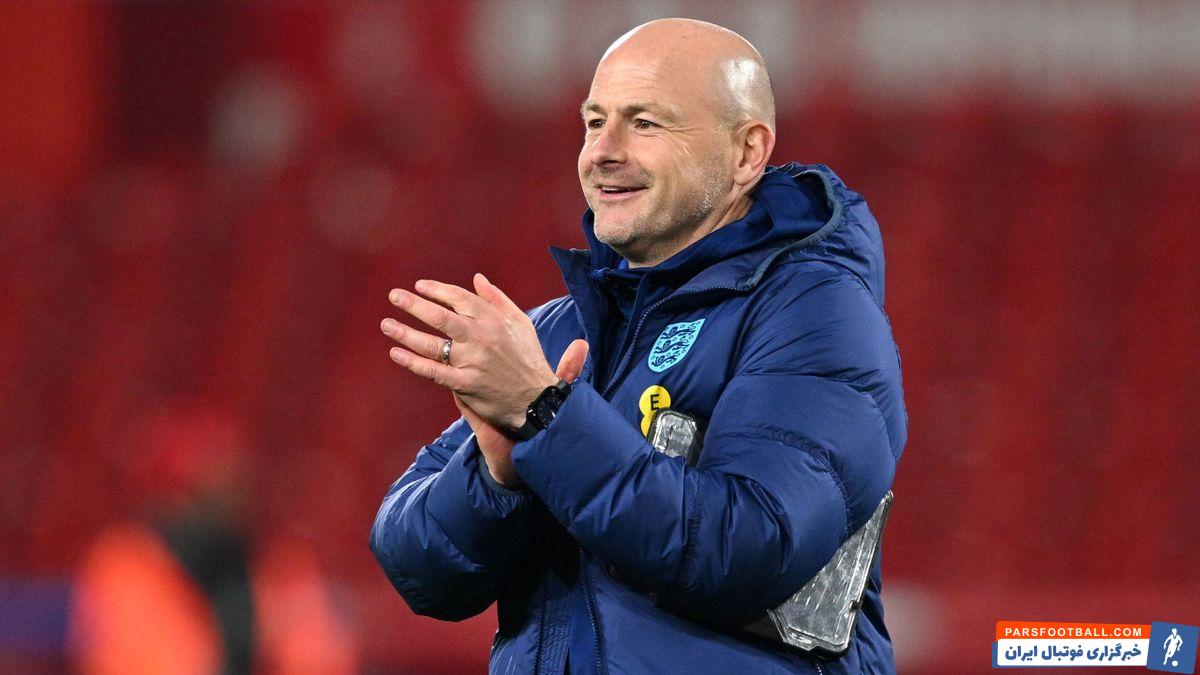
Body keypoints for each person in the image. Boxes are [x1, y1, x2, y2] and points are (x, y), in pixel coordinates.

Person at [372, 17, 906, 674]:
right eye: (595, 122)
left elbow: (752, 546)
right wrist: (493, 475)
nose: (602, 150)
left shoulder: (815, 312)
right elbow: (418, 567)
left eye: (645, 123)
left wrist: (546, 418)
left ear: (746, 153)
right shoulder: (558, 331)